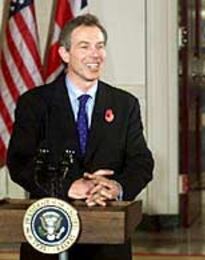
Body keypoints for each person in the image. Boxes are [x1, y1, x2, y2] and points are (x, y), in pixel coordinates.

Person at [7, 14, 154, 260]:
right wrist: (68, 187)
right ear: (64, 54)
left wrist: (116, 187)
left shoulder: (124, 104)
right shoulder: (35, 103)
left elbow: (141, 162)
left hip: (108, 238)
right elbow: (19, 163)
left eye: (100, 46)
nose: (95, 55)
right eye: (84, 46)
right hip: (49, 232)